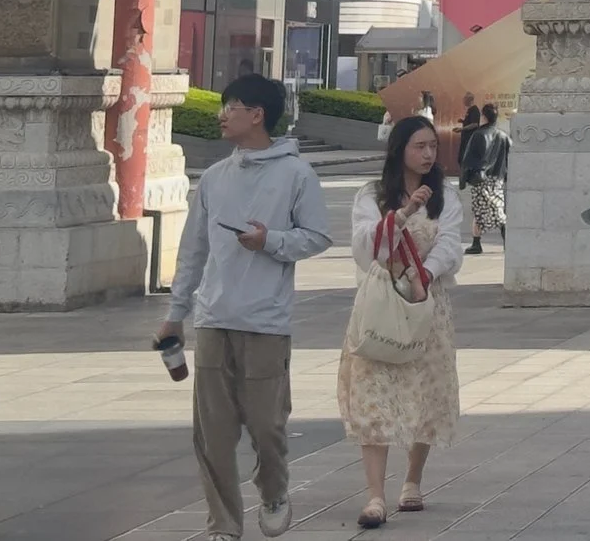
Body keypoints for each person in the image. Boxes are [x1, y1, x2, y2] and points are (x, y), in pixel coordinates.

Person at [160, 73, 332, 541]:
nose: (221, 114)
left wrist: (270, 241)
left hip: (265, 323)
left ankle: (274, 490)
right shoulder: (215, 178)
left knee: (267, 425)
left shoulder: (296, 174)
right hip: (214, 319)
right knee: (213, 434)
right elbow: (193, 252)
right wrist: (176, 314)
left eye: (230, 106)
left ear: (257, 115)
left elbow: (318, 235)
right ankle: (223, 525)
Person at [340, 115, 465, 529]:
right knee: (374, 394)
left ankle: (412, 480)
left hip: (427, 305)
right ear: (400, 151)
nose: (429, 154)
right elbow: (366, 249)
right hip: (381, 305)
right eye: (420, 146)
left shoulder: (445, 196)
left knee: (426, 392)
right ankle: (375, 495)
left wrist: (424, 276)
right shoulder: (372, 196)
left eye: (433, 146)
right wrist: (403, 213)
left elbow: (449, 243)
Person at [463, 104, 509, 256]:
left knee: (480, 211)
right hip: (497, 179)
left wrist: (464, 177)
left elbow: (468, 158)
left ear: (484, 116)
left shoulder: (478, 135)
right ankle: (506, 239)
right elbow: (510, 157)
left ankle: (477, 243)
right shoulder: (503, 136)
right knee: (496, 207)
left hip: (480, 178)